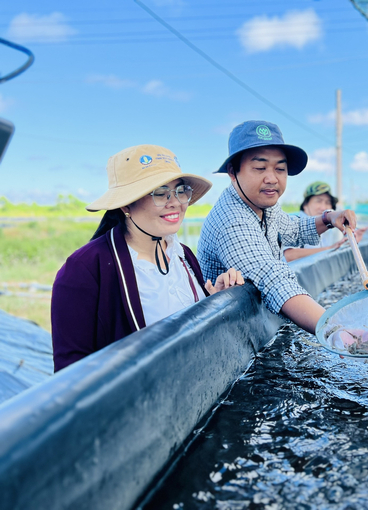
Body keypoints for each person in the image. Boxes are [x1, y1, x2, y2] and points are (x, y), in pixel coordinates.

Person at [51, 144, 244, 372]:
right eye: (160, 193)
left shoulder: (182, 255)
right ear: (125, 204)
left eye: (181, 191)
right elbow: (69, 371)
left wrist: (212, 301)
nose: (175, 202)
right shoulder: (85, 269)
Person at [198, 120, 359, 334]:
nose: (272, 178)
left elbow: (293, 227)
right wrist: (339, 332)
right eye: (259, 168)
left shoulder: (262, 203)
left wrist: (330, 218)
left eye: (280, 169)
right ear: (232, 171)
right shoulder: (232, 220)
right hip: (223, 335)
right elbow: (273, 278)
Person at [282, 181, 368, 262]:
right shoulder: (292, 222)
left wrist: (350, 242)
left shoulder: (329, 227)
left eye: (327, 202)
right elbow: (289, 255)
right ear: (305, 205)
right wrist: (329, 249)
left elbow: (334, 248)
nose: (323, 207)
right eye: (318, 201)